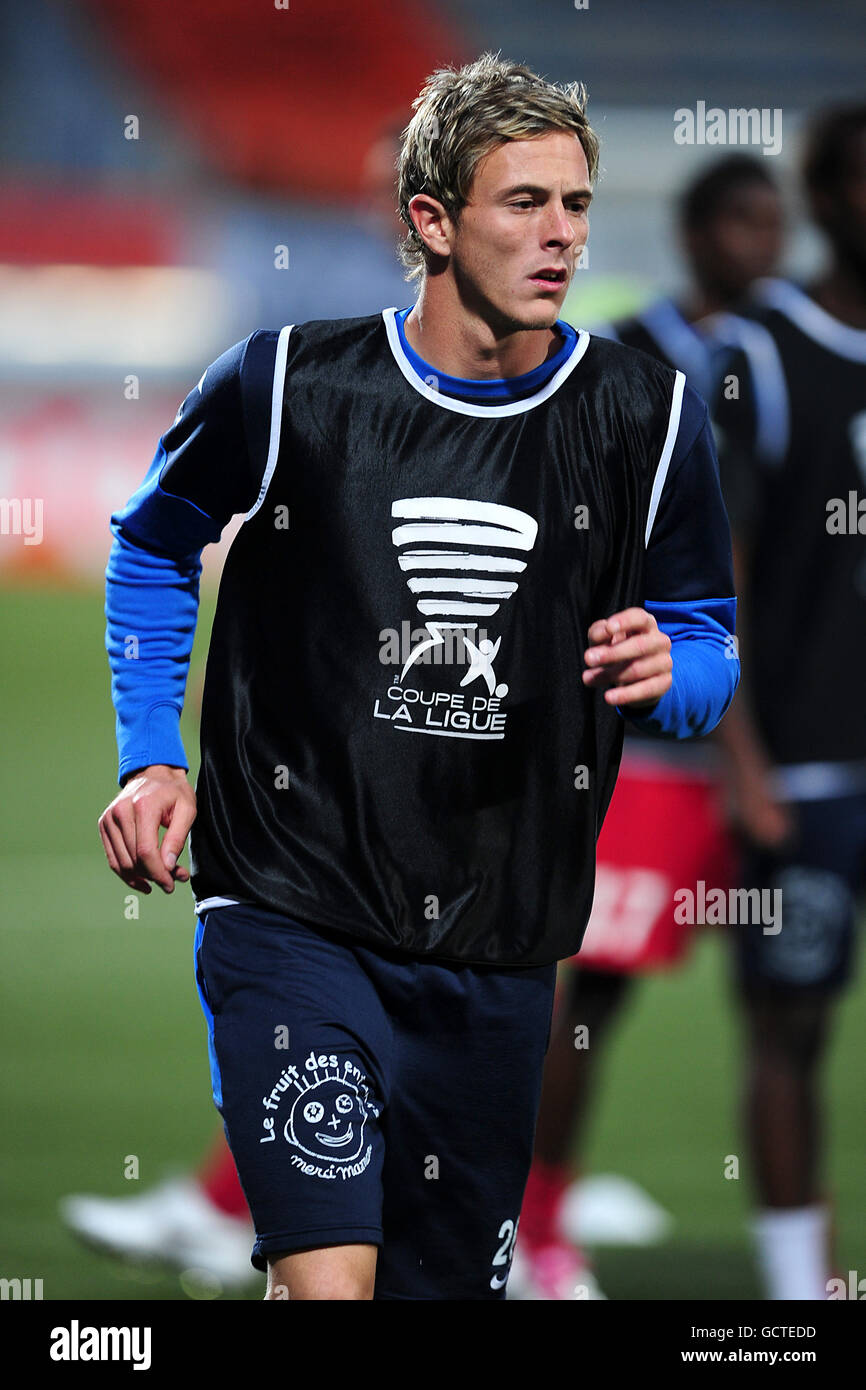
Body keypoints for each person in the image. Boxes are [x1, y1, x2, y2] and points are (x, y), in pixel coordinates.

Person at [97, 52, 739, 1301]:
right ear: (431, 222)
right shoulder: (289, 385)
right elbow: (152, 540)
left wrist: (675, 673)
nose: (560, 235)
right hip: (291, 907)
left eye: (576, 205)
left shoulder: (645, 416)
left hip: (499, 948)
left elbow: (706, 651)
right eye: (524, 203)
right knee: (330, 1282)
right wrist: (150, 751)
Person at [514, 155, 784, 1300]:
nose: (756, 243)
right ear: (688, 230)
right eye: (735, 220)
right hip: (648, 737)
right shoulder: (637, 361)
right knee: (581, 984)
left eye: (771, 223)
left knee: (757, 998)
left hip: (758, 732)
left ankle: (536, 1205)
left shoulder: (777, 357)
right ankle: (524, 1226)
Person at [710, 103, 866, 1301]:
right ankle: (792, 1293)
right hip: (805, 767)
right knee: (789, 1027)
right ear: (820, 200)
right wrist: (741, 757)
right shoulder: (757, 351)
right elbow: (718, 576)